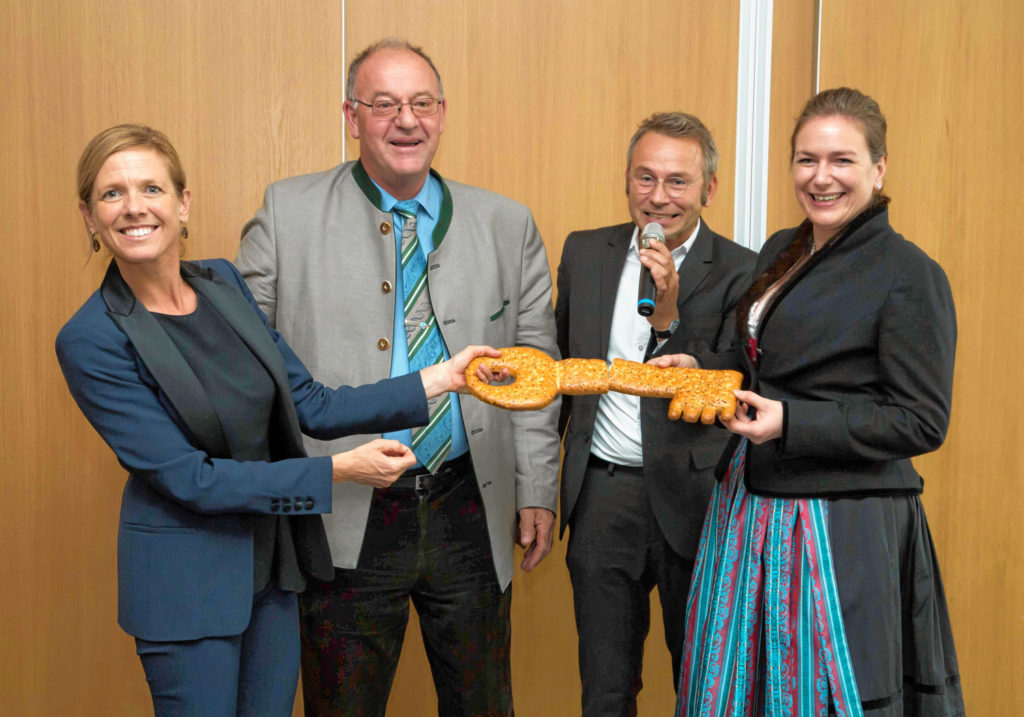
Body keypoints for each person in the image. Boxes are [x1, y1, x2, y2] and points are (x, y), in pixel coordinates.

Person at [55, 124, 495, 716]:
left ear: (182, 203)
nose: (134, 207)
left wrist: (442, 378)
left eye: (151, 189)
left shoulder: (224, 285)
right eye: (112, 194)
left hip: (273, 577)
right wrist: (337, 472)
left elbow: (309, 402)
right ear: (89, 216)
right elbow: (192, 479)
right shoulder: (91, 338)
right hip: (187, 594)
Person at [234, 39, 560, 716]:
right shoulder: (286, 213)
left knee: (483, 702)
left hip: (471, 505)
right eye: (384, 104)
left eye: (420, 104)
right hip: (346, 509)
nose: (405, 121)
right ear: (352, 116)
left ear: (441, 113)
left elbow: (535, 372)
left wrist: (539, 489)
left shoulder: (508, 224)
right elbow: (246, 364)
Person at [659, 88, 965, 716]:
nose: (820, 177)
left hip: (837, 526)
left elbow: (920, 419)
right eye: (806, 160)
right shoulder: (783, 248)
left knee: (817, 695)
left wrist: (792, 422)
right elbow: (760, 364)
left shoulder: (910, 273)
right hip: (748, 504)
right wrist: (704, 367)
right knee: (740, 688)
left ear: (879, 170)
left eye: (842, 161)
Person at [554, 112, 755, 714]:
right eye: (645, 178)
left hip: (698, 501)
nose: (659, 197)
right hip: (601, 498)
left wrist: (667, 317)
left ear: (708, 189)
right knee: (605, 688)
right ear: (626, 180)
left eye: (677, 181)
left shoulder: (745, 269)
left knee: (702, 686)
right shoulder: (585, 252)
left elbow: (737, 379)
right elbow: (566, 370)